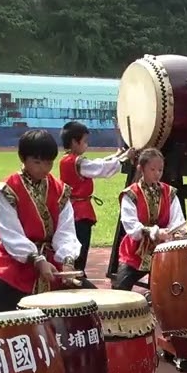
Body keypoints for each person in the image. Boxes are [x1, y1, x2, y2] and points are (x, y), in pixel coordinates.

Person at [0, 129, 83, 314]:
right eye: (37, 162)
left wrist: (67, 260)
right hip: (15, 267)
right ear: (23, 159)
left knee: (91, 307)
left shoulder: (60, 189)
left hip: (52, 264)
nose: (43, 168)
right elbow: (10, 232)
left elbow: (66, 230)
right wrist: (36, 259)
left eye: (48, 163)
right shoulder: (7, 190)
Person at [110, 147, 187, 291]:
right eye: (153, 170)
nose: (157, 174)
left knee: (170, 288)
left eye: (160, 170)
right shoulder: (131, 194)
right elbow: (131, 226)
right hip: (135, 252)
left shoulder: (169, 192)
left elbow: (178, 221)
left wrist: (175, 234)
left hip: (162, 250)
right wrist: (155, 232)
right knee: (120, 289)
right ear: (141, 169)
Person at [59, 121, 125, 286]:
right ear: (75, 142)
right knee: (80, 247)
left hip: (74, 210)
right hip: (79, 212)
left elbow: (98, 164)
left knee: (76, 245)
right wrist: (123, 160)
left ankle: (76, 273)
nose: (87, 145)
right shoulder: (76, 162)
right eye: (85, 141)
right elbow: (99, 168)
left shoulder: (68, 160)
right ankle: (77, 276)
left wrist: (118, 156)